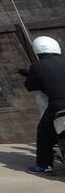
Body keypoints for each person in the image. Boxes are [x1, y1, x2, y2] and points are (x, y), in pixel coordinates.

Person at [24, 34, 65, 173]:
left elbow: (30, 86)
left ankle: (44, 165)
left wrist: (31, 75)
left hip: (58, 105)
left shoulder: (37, 65)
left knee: (44, 132)